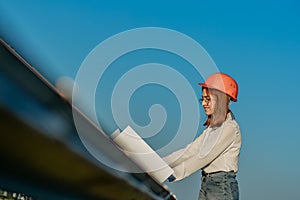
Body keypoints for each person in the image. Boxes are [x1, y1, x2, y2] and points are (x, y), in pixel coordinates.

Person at [163, 72, 242, 200]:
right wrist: (160, 163)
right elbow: (190, 150)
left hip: (222, 185)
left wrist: (173, 173)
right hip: (207, 182)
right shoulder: (212, 129)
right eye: (203, 99)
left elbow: (203, 156)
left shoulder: (230, 129)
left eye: (208, 99)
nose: (204, 103)